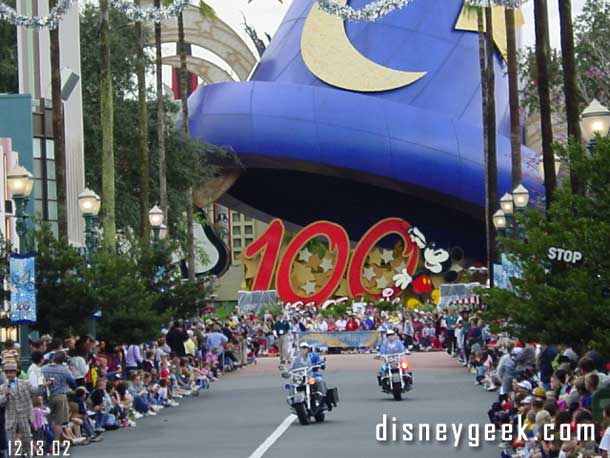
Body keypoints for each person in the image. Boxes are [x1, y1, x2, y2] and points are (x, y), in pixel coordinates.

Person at [0, 362, 37, 456]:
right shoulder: (2, 387)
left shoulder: (25, 383)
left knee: (27, 438)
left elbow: (35, 392)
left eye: (11, 372)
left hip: (24, 414)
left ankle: (28, 454)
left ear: (16, 372)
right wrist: (5, 395)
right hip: (11, 417)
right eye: (7, 372)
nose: (9, 374)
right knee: (11, 442)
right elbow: (1, 403)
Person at [42, 351, 77, 440]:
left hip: (46, 396)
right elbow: (73, 383)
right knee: (59, 422)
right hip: (60, 395)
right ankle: (56, 441)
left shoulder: (43, 368)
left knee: (47, 420)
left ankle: (47, 441)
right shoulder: (64, 370)